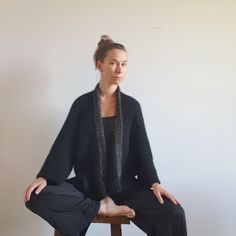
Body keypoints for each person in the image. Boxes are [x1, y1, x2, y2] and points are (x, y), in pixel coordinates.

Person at [24, 35, 187, 236]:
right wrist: (45, 177)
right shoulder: (82, 105)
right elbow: (64, 146)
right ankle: (101, 207)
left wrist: (154, 183)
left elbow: (142, 149)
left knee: (173, 212)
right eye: (114, 63)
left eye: (124, 64)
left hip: (125, 188)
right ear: (100, 65)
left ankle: (107, 204)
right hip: (86, 187)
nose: (120, 70)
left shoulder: (131, 107)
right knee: (36, 196)